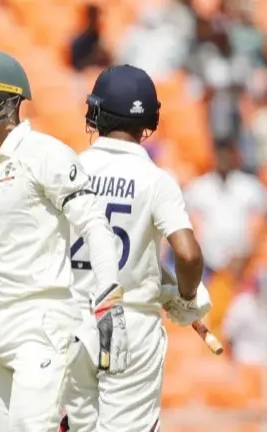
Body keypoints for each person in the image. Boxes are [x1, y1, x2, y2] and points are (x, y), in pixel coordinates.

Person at [0, 48, 122, 432]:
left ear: (6, 101)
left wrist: (108, 306)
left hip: (42, 324)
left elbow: (96, 227)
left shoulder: (45, 153)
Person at [64, 64, 209, 431]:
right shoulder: (156, 180)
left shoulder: (71, 169)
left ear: (96, 111)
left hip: (74, 320)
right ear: (150, 120)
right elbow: (189, 254)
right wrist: (186, 298)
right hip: (130, 324)